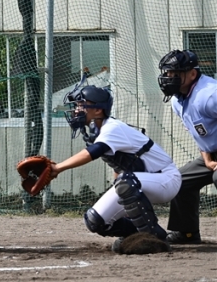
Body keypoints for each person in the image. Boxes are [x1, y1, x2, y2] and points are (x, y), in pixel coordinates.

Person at [49, 81, 181, 253]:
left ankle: (154, 239)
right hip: (139, 181)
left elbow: (91, 153)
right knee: (95, 221)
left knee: (125, 182)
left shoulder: (112, 128)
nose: (76, 110)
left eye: (82, 105)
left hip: (165, 179)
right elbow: (119, 167)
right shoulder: (96, 131)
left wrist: (57, 168)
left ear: (98, 110)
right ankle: (136, 236)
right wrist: (125, 200)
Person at [158, 49, 217, 244]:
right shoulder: (177, 100)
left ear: (192, 74)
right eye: (168, 73)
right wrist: (207, 159)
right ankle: (187, 233)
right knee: (179, 181)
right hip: (212, 154)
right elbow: (200, 133)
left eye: (175, 73)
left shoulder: (210, 94)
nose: (169, 77)